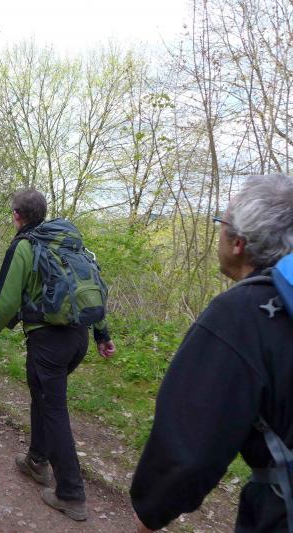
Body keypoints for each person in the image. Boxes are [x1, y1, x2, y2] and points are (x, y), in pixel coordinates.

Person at [131, 174, 293, 533]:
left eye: (220, 223)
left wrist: (151, 511)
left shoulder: (240, 313)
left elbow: (190, 441)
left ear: (238, 243)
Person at [0, 188, 115, 522]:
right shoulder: (65, 243)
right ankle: (37, 461)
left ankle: (71, 494)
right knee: (42, 397)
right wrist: (102, 334)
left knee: (53, 408)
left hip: (48, 343)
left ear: (17, 216)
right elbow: (89, 287)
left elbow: (6, 300)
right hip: (78, 338)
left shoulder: (26, 246)